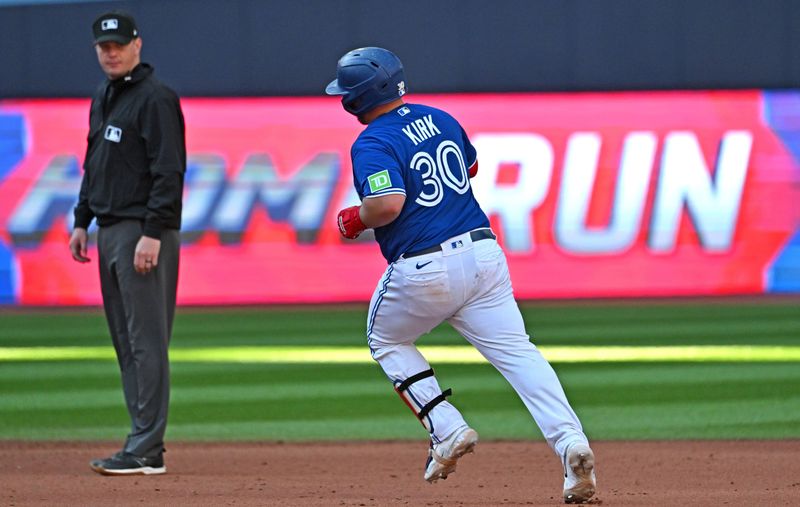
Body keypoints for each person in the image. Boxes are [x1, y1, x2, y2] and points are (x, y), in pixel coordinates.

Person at [326, 47, 597, 503]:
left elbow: (387, 204)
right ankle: (571, 443)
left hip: (424, 264)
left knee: (386, 339)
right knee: (519, 354)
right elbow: (469, 168)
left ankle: (447, 429)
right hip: (484, 256)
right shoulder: (441, 117)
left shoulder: (372, 141)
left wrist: (355, 217)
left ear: (354, 99)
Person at [69, 11, 185, 476]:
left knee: (146, 341)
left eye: (118, 44)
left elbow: (169, 171)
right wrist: (82, 219)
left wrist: (153, 233)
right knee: (125, 340)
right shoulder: (105, 95)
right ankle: (140, 440)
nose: (110, 52)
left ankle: (146, 448)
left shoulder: (155, 99)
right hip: (109, 228)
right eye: (103, 46)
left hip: (141, 231)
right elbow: (94, 162)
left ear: (137, 44)